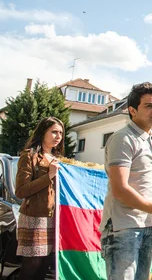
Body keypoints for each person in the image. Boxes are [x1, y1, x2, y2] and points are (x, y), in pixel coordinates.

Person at [99, 82, 152, 280]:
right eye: (149, 106)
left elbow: (148, 182)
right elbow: (121, 189)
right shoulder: (123, 139)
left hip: (146, 225)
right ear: (132, 110)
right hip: (123, 228)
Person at [15, 117, 64, 280]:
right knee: (31, 269)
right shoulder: (29, 156)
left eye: (61, 133)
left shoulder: (59, 159)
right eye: (54, 132)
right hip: (34, 219)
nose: (58, 136)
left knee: (44, 268)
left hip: (54, 220)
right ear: (43, 132)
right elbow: (21, 191)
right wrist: (49, 175)